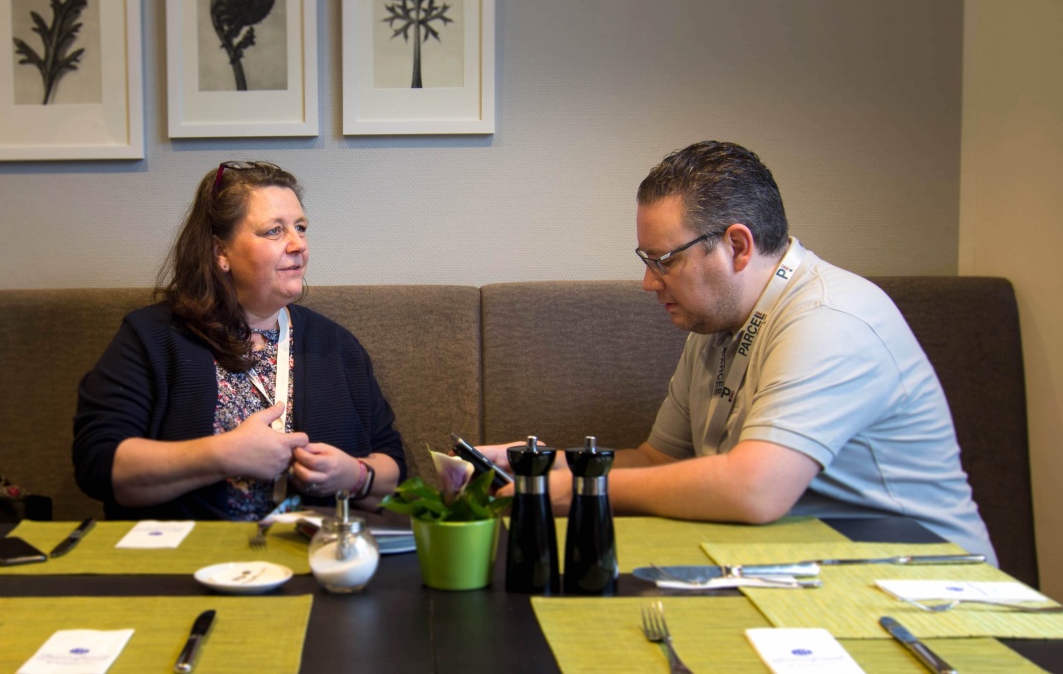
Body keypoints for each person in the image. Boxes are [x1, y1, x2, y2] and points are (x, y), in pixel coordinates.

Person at [480, 141, 995, 563]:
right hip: (811, 568)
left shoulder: (830, 319)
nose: (647, 282)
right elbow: (659, 459)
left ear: (738, 246)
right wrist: (540, 465)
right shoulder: (715, 325)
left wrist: (587, 492)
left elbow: (754, 489)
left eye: (663, 261)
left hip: (927, 586)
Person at [73, 161, 405, 520]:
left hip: (312, 556)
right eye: (274, 231)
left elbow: (394, 469)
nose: (298, 245)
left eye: (301, 227)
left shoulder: (335, 346)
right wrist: (224, 455)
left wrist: (353, 477)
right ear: (221, 252)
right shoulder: (152, 337)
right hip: (189, 557)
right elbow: (98, 463)